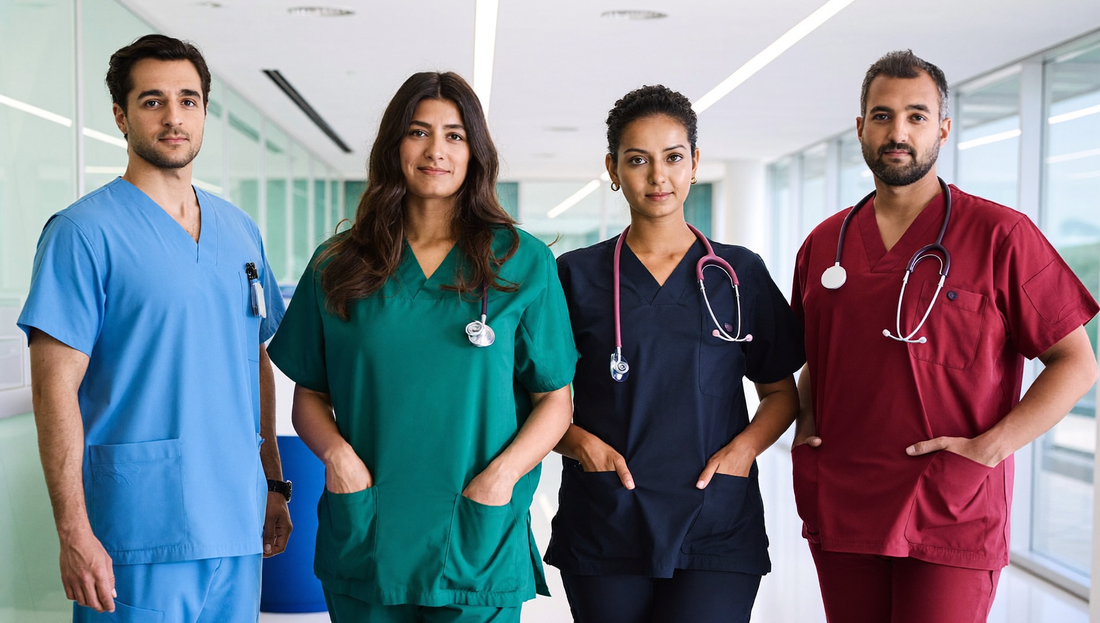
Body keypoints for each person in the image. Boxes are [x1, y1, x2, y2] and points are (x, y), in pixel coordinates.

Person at [791, 49, 1100, 622]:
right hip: (844, 499)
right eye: (882, 116)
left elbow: (1076, 362)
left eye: (917, 115)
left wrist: (991, 448)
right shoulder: (824, 243)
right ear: (860, 128)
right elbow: (820, 355)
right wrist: (805, 424)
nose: (898, 132)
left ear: (943, 129)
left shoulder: (1001, 234)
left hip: (952, 506)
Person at [266, 71, 576, 623]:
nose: (437, 150)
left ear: (475, 152)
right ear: (394, 145)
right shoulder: (338, 263)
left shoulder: (522, 261)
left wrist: (502, 477)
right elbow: (309, 392)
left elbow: (555, 399)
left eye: (455, 135)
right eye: (418, 132)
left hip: (476, 532)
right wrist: (338, 459)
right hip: (370, 529)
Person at [17, 34, 292, 622]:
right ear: (121, 116)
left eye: (188, 100)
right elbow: (52, 389)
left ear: (204, 112)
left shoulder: (240, 231)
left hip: (236, 517)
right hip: (137, 527)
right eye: (152, 101)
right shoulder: (82, 233)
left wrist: (274, 482)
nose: (174, 117)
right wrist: (73, 531)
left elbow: (255, 358)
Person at [543, 85, 804, 623]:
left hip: (716, 519)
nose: (658, 176)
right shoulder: (575, 276)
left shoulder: (738, 274)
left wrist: (743, 453)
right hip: (607, 515)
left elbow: (780, 392)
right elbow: (534, 395)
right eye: (638, 160)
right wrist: (579, 445)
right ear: (613, 169)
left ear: (694, 164)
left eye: (673, 157)